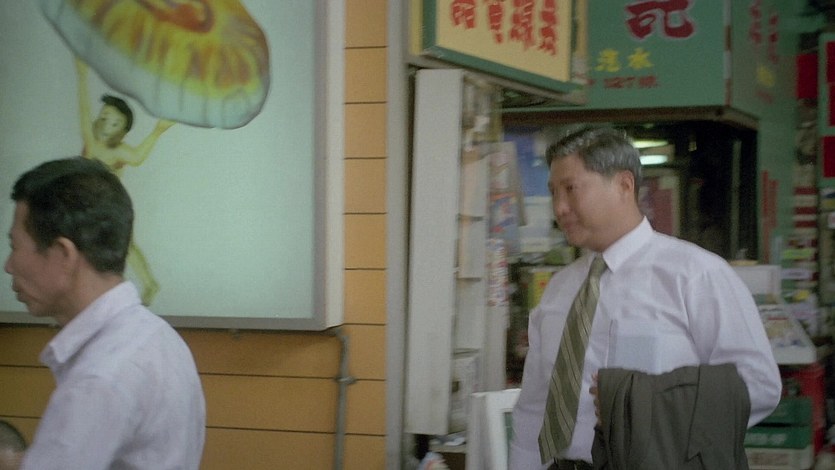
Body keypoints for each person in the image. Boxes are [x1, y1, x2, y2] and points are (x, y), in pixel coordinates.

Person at [509, 127, 782, 469]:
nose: (559, 208)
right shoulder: (559, 290)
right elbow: (534, 407)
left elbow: (758, 385)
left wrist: (648, 410)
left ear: (624, 185)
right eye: (553, 193)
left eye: (571, 189)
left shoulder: (696, 275)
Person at [4, 157, 205, 469]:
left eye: (15, 247)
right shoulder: (158, 337)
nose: (8, 266)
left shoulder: (98, 379)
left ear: (63, 255)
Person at [76, 58, 174, 305]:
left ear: (122, 132)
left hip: (110, 203)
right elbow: (84, 110)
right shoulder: (90, 138)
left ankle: (149, 283)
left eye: (115, 123)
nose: (106, 125)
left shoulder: (119, 151)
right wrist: (82, 77)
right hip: (88, 203)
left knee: (126, 245)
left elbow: (138, 157)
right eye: (104, 118)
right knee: (87, 244)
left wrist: (157, 131)